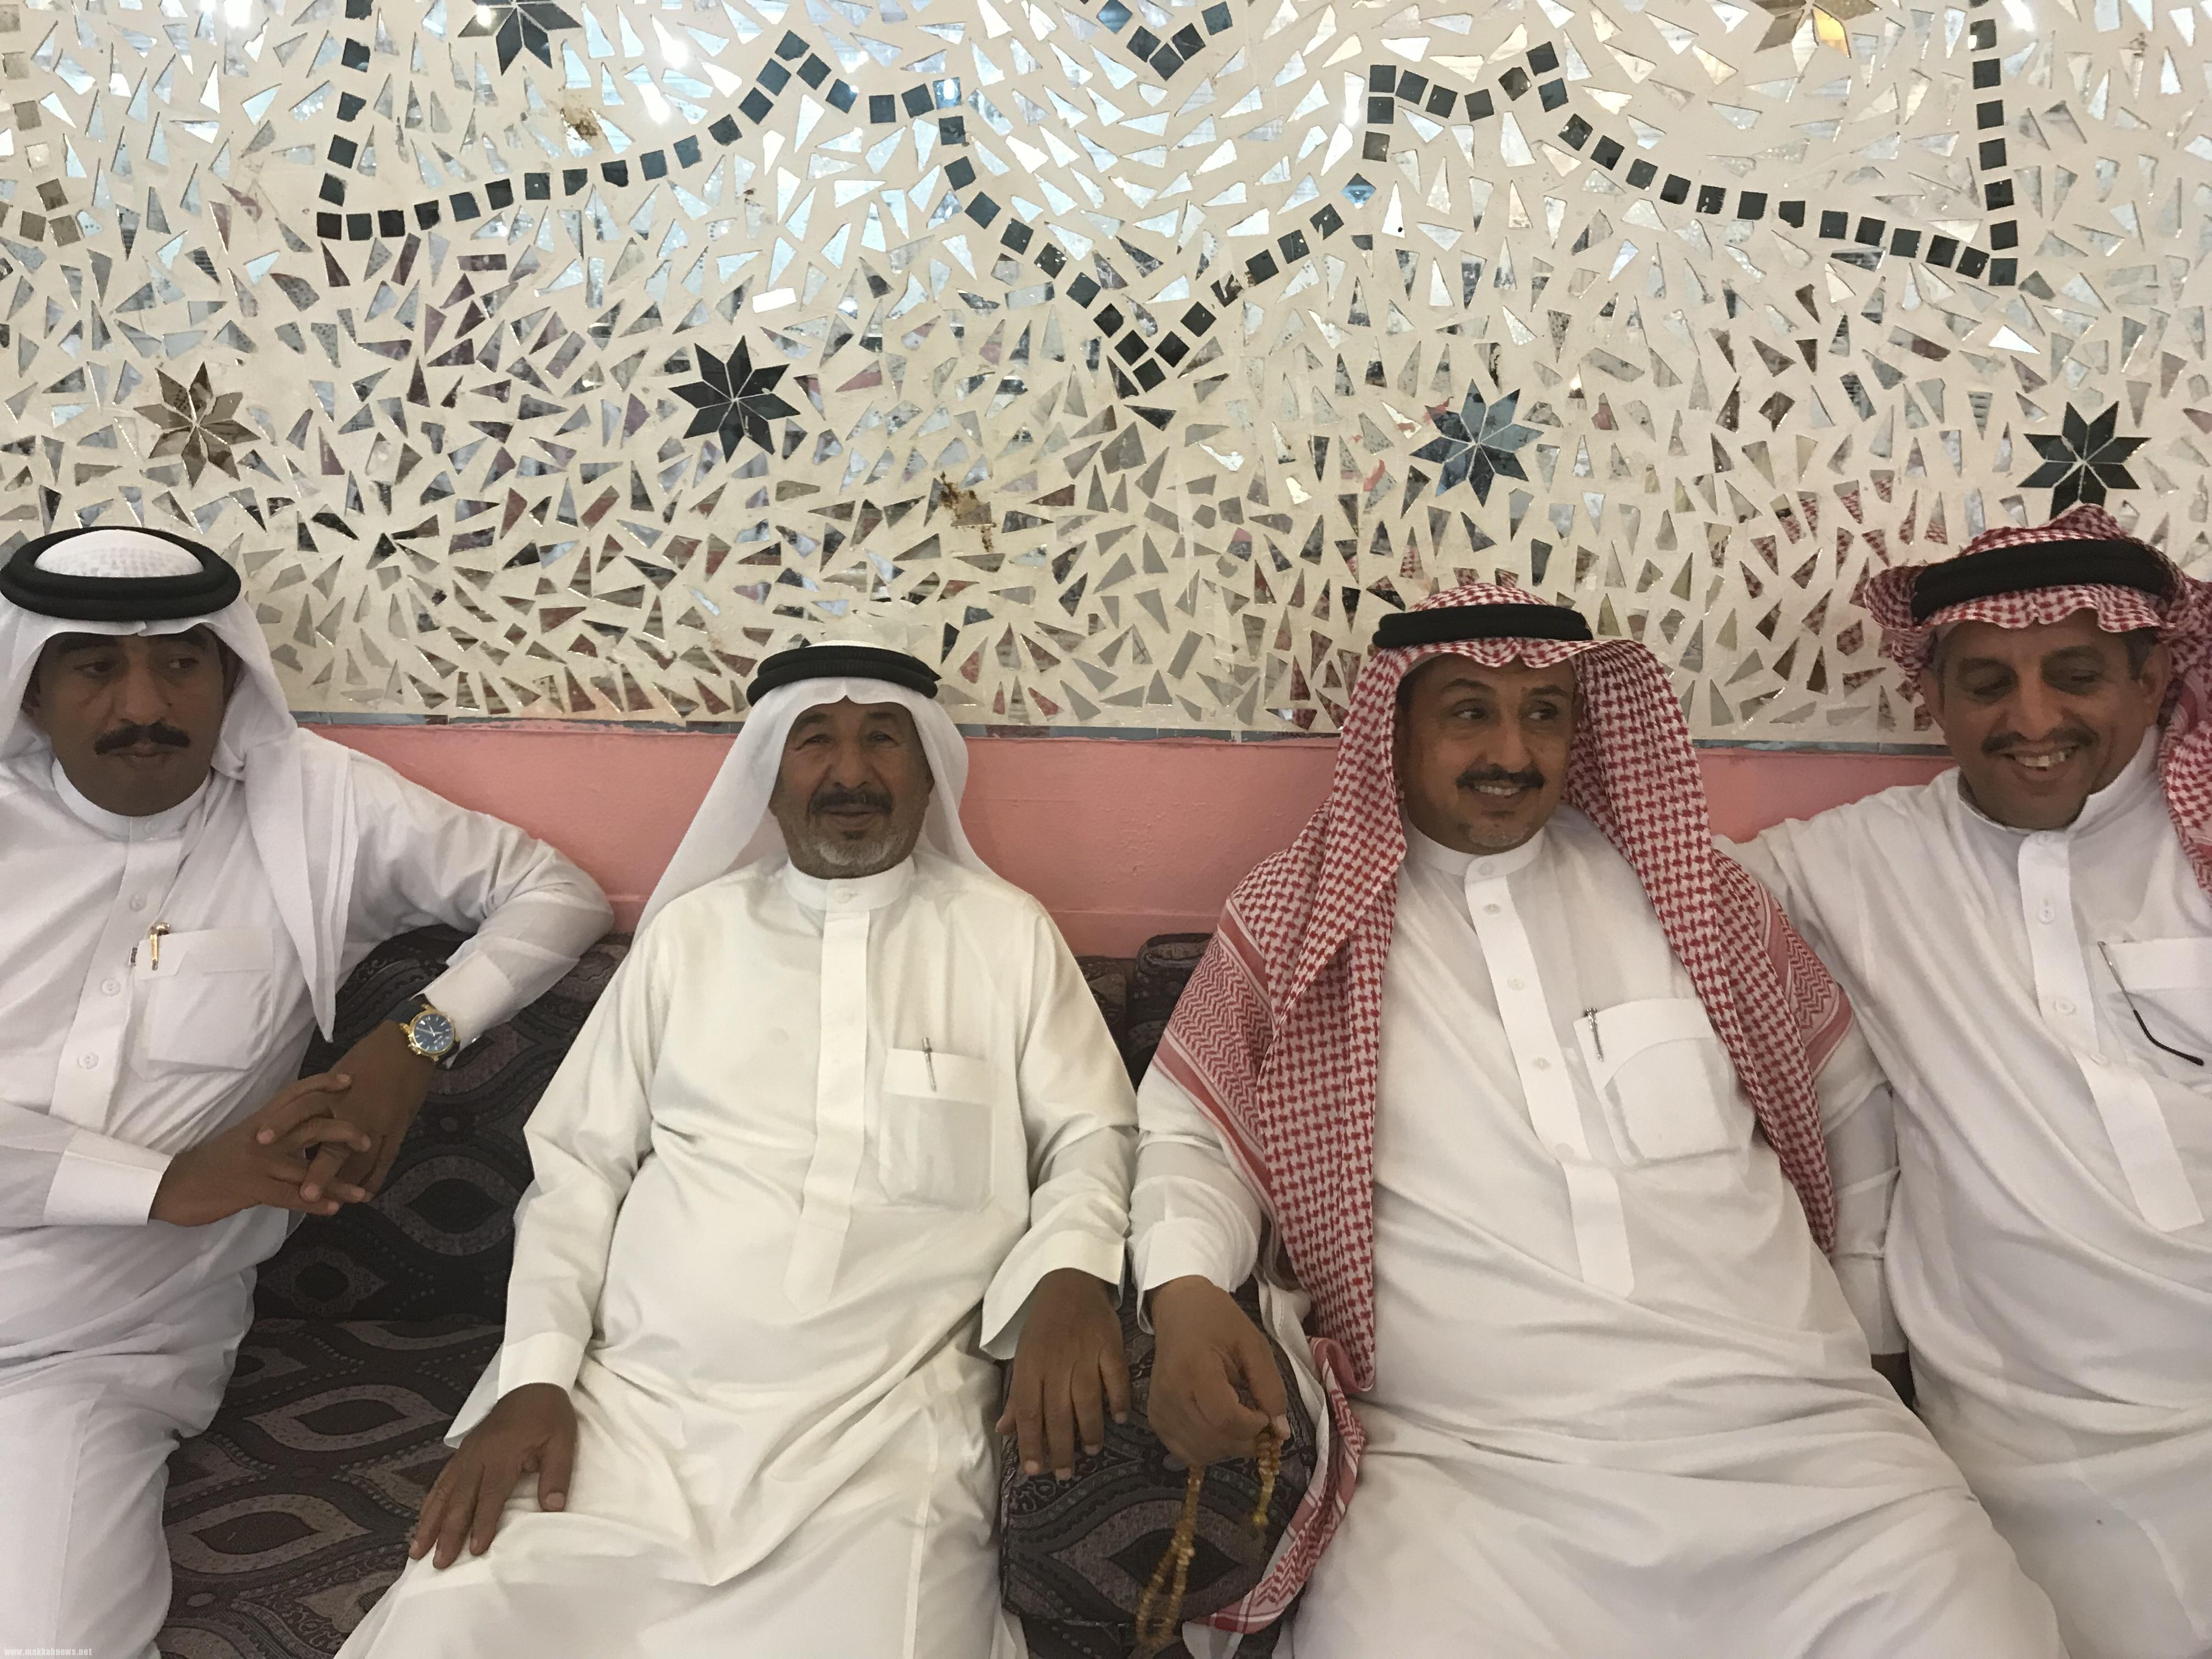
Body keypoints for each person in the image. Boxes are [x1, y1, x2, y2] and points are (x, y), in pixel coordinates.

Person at [1132, 584, 2063, 1658]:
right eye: (1470, 712)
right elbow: (1192, 1134)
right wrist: (1185, 1287)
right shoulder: (1295, 922)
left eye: (1545, 713)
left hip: (1810, 1460)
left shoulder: (1693, 896)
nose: (1512, 751)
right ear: (1395, 728)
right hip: (1470, 1480)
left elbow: (1849, 1104)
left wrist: (1867, 1338)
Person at [340, 642, 1136, 1658]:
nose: (850, 772)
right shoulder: (692, 939)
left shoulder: (1005, 935)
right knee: (457, 1619)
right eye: (815, 741)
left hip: (887, 1427)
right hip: (637, 1407)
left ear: (930, 770)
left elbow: (1091, 1132)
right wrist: (535, 1377)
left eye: (883, 739)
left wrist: (1071, 1270)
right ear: (767, 771)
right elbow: (579, 1165)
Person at [0, 526, 612, 1659]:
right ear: (32, 689)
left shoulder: (317, 805)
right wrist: (170, 1183)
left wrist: (414, 1043)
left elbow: (553, 892)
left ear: (229, 674)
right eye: (93, 667)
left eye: (181, 663)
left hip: (89, 1360)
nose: (145, 704)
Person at [1731, 504, 2212, 1659]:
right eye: (1988, 683)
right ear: (1933, 698)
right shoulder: (1857, 862)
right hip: (2035, 1450)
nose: (2032, 720)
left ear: (2154, 679)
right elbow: (1643, 896)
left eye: (2076, 676)